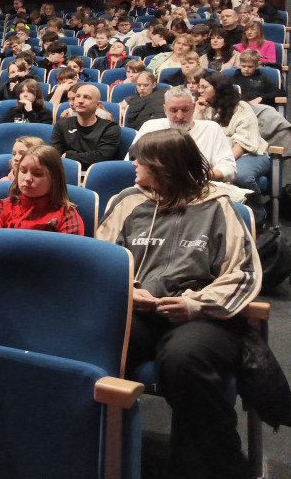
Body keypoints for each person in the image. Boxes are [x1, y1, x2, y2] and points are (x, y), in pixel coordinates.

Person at [97, 129, 261, 479]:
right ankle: (92, 455)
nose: (135, 163)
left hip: (202, 317)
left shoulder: (217, 206)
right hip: (137, 309)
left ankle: (213, 469)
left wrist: (195, 304)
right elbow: (98, 260)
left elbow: (242, 274)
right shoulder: (126, 201)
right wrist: (129, 289)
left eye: (141, 158)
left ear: (164, 168)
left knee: (184, 359)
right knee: (91, 341)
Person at [194, 71, 270, 218]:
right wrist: (199, 112)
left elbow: (242, 143)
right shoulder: (206, 107)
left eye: (204, 87)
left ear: (218, 88)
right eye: (199, 87)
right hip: (219, 156)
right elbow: (198, 135)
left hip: (249, 154)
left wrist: (223, 166)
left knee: (240, 176)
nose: (199, 90)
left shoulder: (241, 108)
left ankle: (256, 215)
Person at [130, 86, 236, 183]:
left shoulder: (211, 128)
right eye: (173, 110)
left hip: (201, 187)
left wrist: (201, 174)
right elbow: (131, 163)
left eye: (185, 110)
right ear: (164, 109)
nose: (180, 116)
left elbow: (229, 168)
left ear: (194, 107)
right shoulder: (150, 127)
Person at [0, 145, 84, 234]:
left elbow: (69, 256)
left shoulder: (67, 215)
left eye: (37, 174)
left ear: (54, 179)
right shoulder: (2, 207)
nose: (27, 179)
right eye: (23, 171)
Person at [49, 84, 121, 169]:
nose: (80, 101)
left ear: (98, 105)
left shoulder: (110, 128)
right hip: (67, 172)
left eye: (87, 97)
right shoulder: (61, 124)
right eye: (77, 96)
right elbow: (55, 156)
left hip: (96, 175)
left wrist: (69, 155)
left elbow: (101, 157)